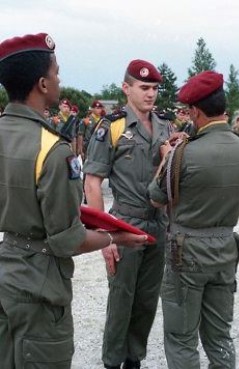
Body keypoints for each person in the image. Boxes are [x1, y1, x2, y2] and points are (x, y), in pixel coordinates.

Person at [0, 33, 147, 369]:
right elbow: (65, 239)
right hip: (38, 283)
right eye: (56, 73)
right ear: (42, 84)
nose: (59, 80)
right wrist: (116, 238)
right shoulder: (54, 151)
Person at [148, 70, 239, 369]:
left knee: (182, 338)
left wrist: (168, 156)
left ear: (195, 111)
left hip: (187, 252)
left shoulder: (184, 154)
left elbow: (155, 197)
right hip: (225, 249)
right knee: (220, 337)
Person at [83, 59, 172, 369]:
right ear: (126, 88)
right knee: (121, 301)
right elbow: (93, 182)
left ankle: (134, 359)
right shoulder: (112, 125)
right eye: (144, 88)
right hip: (125, 223)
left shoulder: (165, 124)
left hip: (158, 225)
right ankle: (112, 362)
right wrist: (103, 237)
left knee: (147, 301)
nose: (151, 95)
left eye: (155, 89)